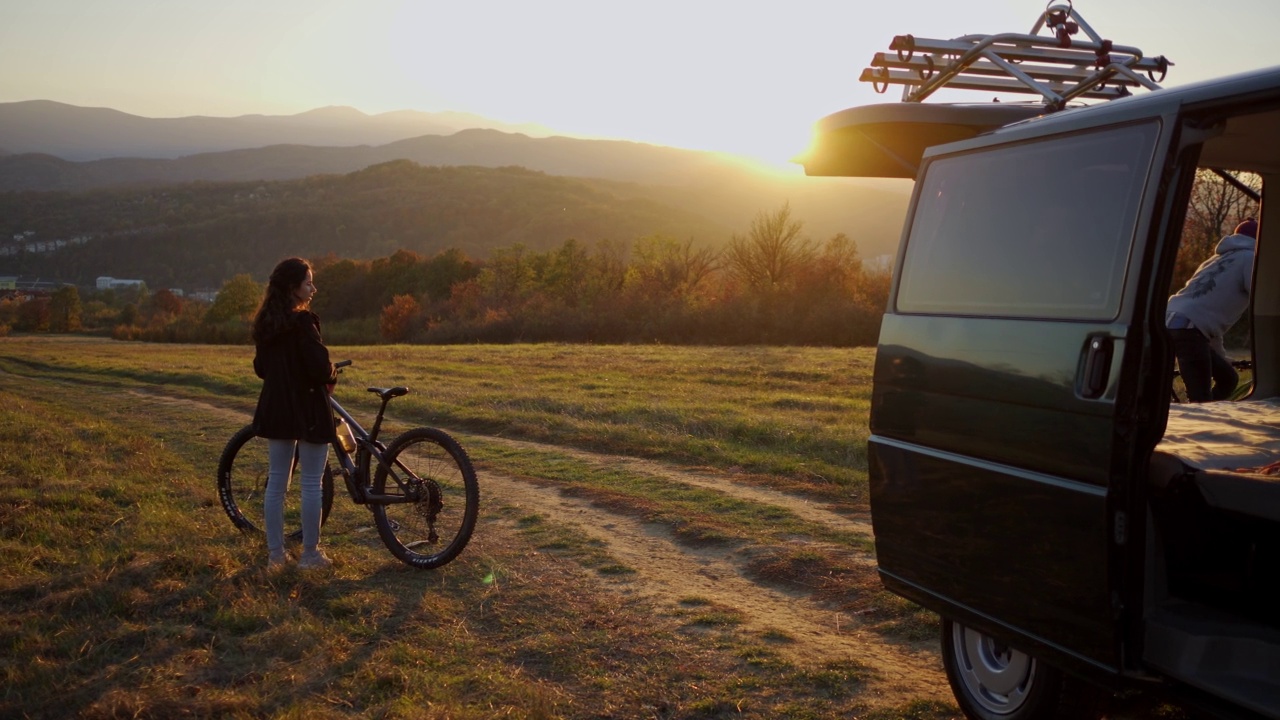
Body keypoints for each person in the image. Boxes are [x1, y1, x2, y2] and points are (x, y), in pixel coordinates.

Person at [251, 257, 338, 569]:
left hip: (277, 408)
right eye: (308, 283)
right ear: (293, 288)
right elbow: (320, 367)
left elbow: (261, 368)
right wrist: (332, 374)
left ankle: (276, 555)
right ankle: (311, 555)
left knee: (277, 482)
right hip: (309, 408)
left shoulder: (265, 324)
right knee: (312, 482)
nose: (312, 288)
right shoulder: (303, 323)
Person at [1166, 218, 1258, 402]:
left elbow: (1208, 314)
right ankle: (1197, 424)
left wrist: (1222, 357)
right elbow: (1260, 295)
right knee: (1200, 400)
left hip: (1170, 319)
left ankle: (1206, 416)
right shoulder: (1251, 259)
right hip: (1189, 330)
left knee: (1228, 378)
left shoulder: (1213, 260)